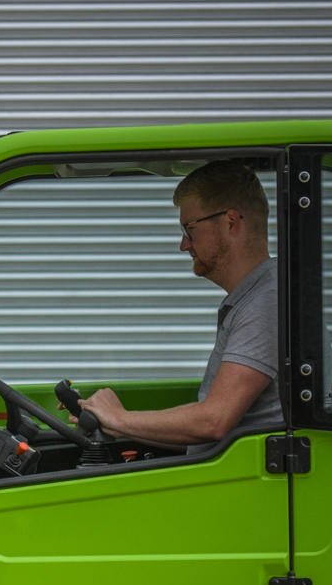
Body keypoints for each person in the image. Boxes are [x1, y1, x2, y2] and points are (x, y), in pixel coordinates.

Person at [78, 159, 279, 447]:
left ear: (231, 222)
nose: (183, 245)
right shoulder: (258, 297)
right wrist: (121, 427)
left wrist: (121, 418)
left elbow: (213, 421)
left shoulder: (265, 304)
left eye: (189, 229)